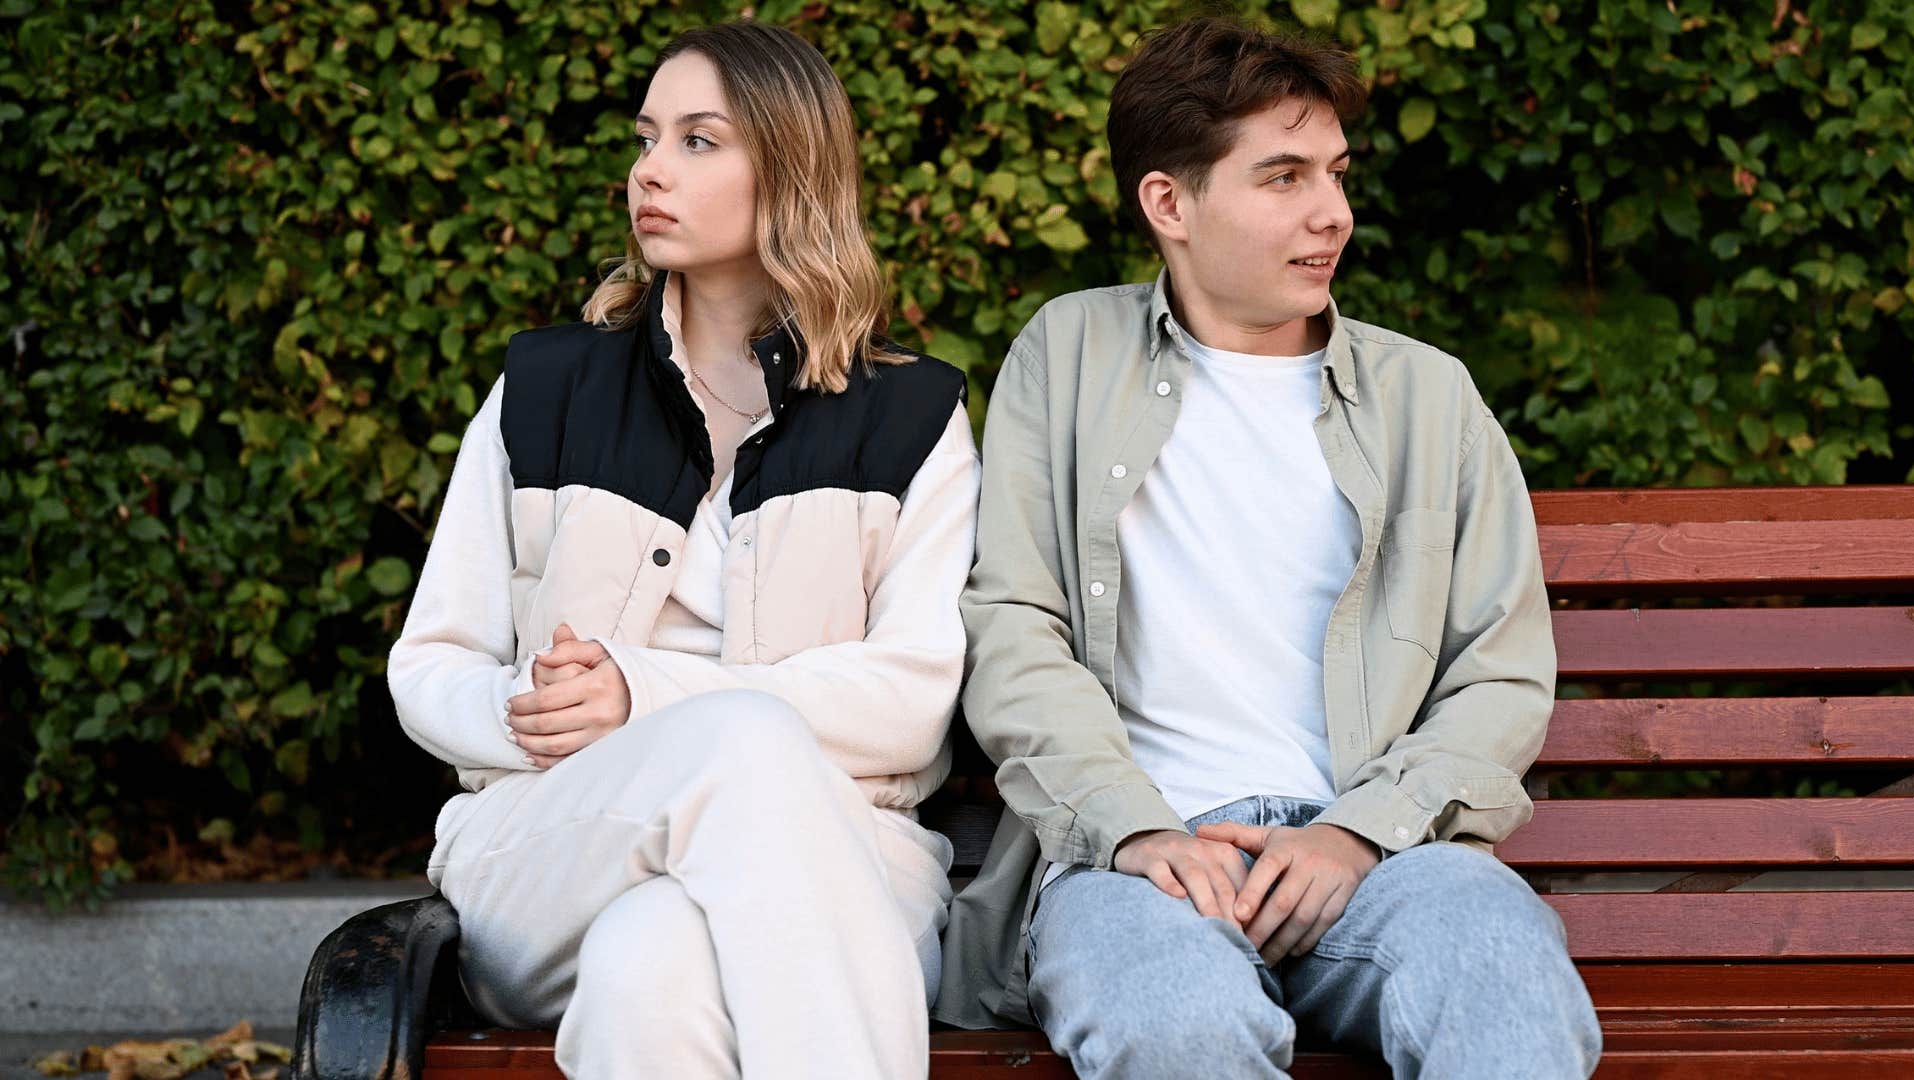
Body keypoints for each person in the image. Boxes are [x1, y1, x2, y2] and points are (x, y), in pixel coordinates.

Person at [937, 16, 1602, 1078]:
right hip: (1136, 864)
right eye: (1282, 176)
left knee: (1501, 970)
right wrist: (1135, 830)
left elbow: (1499, 667)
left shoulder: (1428, 397)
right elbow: (1015, 624)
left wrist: (1357, 835)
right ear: (1170, 204)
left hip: (1379, 855)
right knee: (1175, 1024)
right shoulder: (1067, 355)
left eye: (1335, 173)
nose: (1330, 213)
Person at [387, 21, 978, 1080]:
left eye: (699, 141)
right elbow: (429, 664)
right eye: (648, 137)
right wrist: (537, 712)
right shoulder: (546, 391)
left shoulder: (912, 417)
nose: (649, 170)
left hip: (847, 860)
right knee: (743, 743)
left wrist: (642, 693)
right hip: (551, 848)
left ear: (793, 170)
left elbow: (913, 700)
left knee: (649, 971)